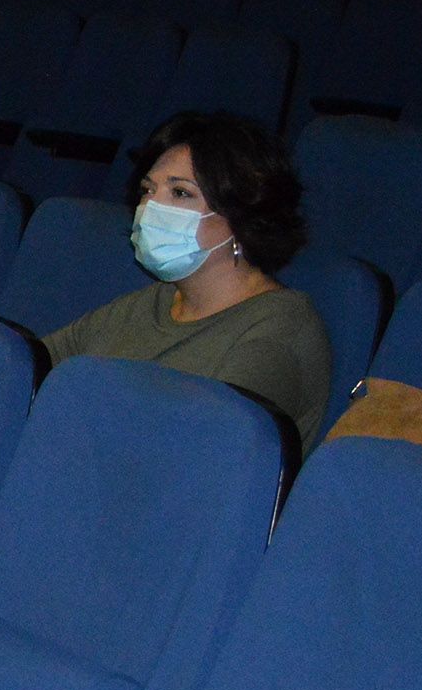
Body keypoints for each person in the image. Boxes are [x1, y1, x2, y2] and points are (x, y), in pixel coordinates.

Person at [44, 111, 331, 455]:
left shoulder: (282, 330)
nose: (151, 206)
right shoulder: (157, 301)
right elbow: (36, 364)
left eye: (180, 193)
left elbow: (200, 443)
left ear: (242, 213)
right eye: (147, 190)